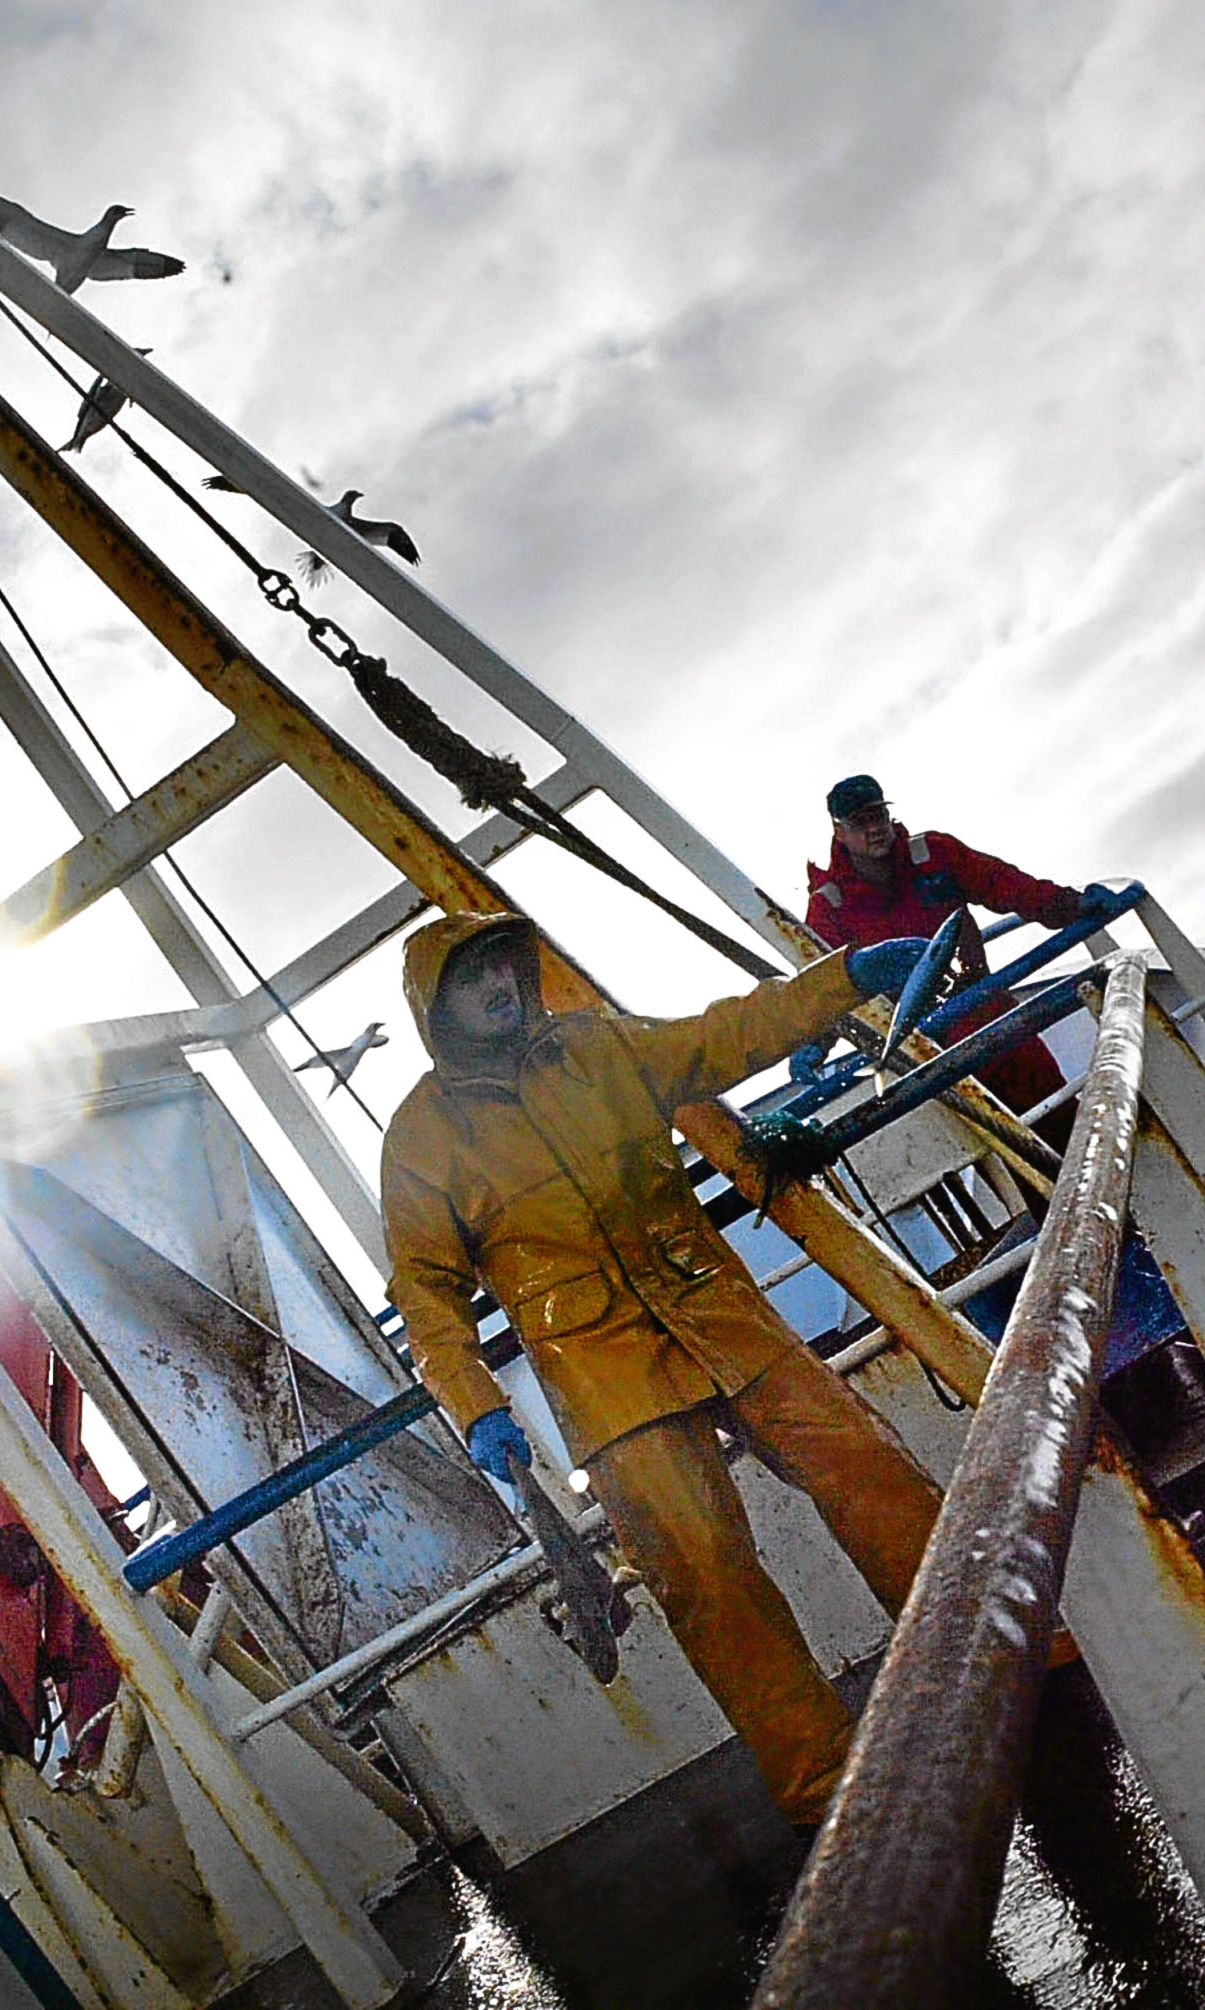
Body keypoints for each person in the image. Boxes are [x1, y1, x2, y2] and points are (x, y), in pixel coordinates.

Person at [381, 910, 949, 1827]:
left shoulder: (600, 1048)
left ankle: (991, 1654)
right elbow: (425, 1292)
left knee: (870, 1469)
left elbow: (727, 1033)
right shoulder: (420, 1139)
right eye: (471, 980)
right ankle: (829, 1792)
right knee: (709, 1581)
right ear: (435, 1008)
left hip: (719, 1316)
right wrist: (476, 1402)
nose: (497, 988)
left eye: (503, 968)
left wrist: (846, 977)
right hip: (604, 1378)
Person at [805, 773, 1099, 1118]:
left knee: (1053, 1104)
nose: (874, 828)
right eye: (859, 821)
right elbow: (825, 989)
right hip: (915, 1050)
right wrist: (814, 1042)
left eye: (878, 815)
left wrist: (1070, 904)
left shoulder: (935, 853)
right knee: (994, 1141)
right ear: (839, 832)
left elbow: (1004, 884)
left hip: (985, 1010)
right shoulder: (828, 907)